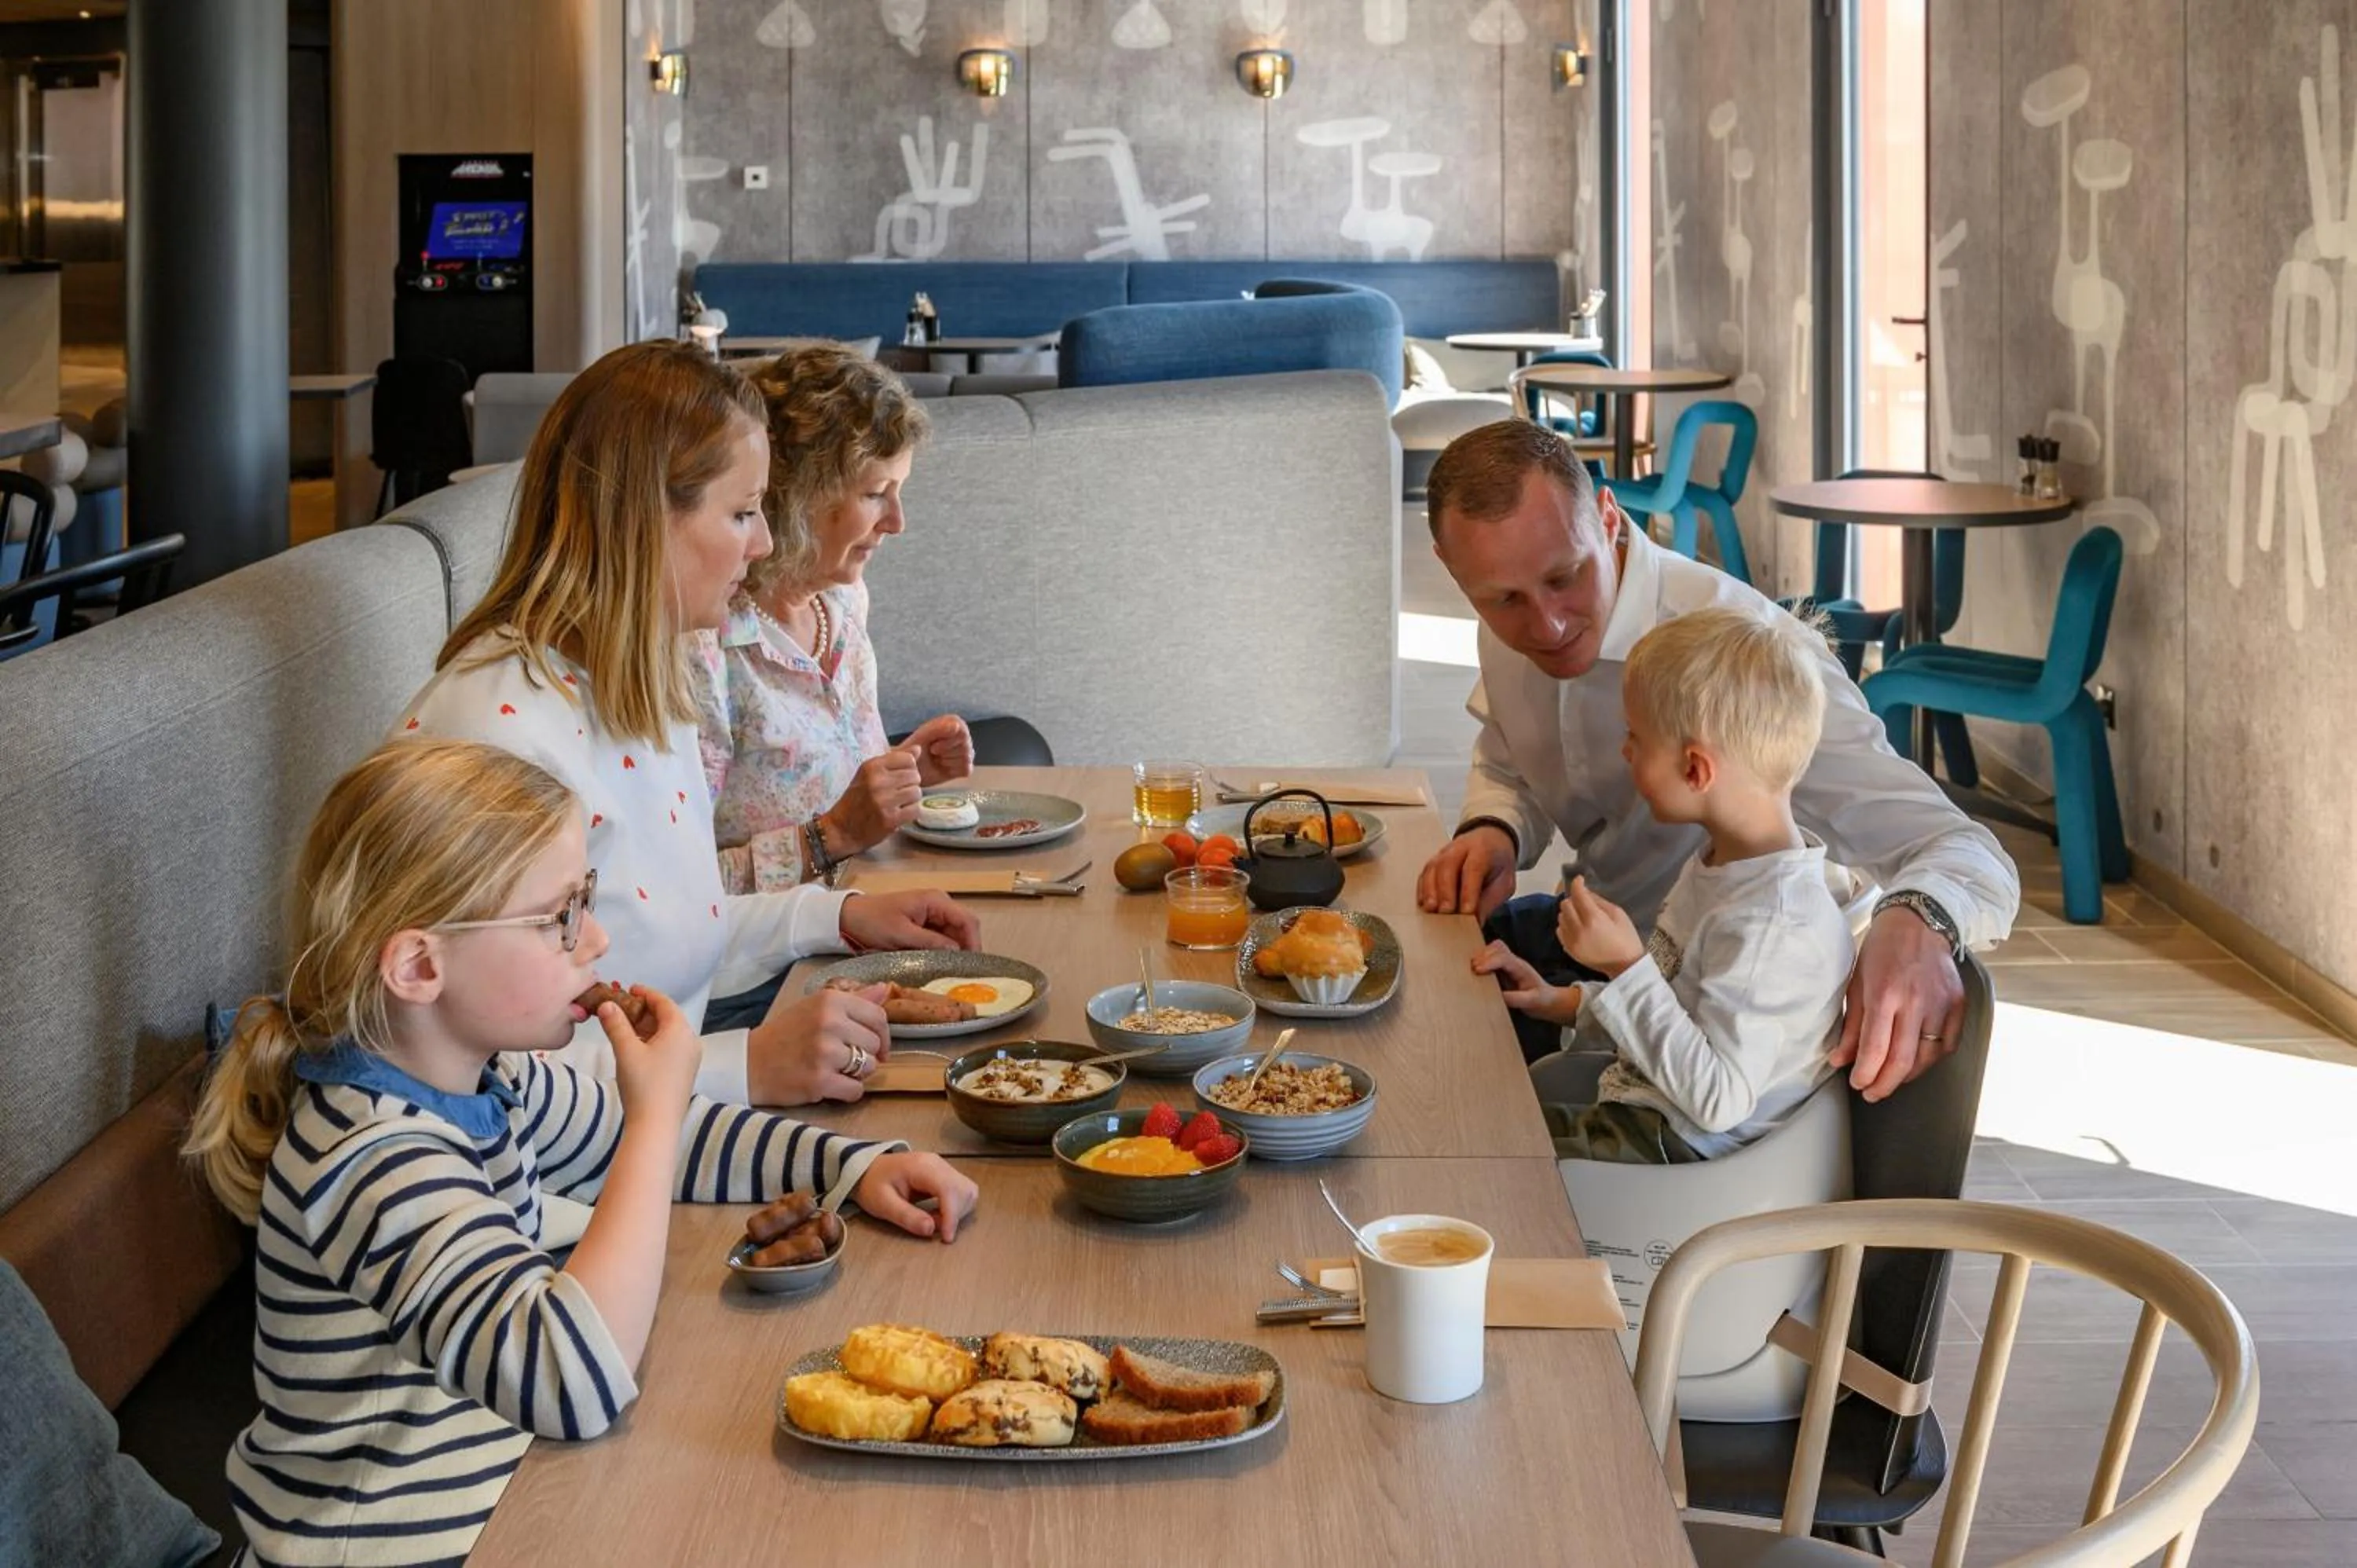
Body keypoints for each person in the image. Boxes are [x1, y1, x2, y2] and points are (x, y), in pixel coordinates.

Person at [183, 738, 978, 1567]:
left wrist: (853, 1166)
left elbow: (683, 1141)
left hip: (518, 1495)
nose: (595, 938)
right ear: (421, 964)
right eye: (558, 915)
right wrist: (653, 1112)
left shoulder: (490, 1074)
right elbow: (569, 1373)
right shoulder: (373, 1157)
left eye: (585, 900)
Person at [405, 341, 977, 1108]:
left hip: (669, 1133)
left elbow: (671, 939)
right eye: (743, 513)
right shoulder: (496, 731)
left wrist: (835, 913)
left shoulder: (646, 680)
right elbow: (484, 1081)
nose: (767, 543)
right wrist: (743, 1065)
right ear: (643, 517)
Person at [1416, 419, 2018, 1097]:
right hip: (1600, 965)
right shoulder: (1510, 619)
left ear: (1609, 518)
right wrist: (1493, 827)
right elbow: (1509, 761)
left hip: (1717, 1017)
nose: (1547, 624)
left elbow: (1966, 851)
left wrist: (1919, 917)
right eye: (1503, 600)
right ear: (1452, 567)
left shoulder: (1745, 660)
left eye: (1566, 576)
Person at [1475, 608, 1853, 1162]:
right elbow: (1679, 1013)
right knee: (1480, 1116)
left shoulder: (1771, 927)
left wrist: (1625, 968)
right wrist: (1565, 1001)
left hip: (1671, 1154)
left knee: (1473, 1150)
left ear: (1697, 769)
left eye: (1636, 737)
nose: (1626, 752)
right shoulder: (1726, 864)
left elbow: (1717, 1099)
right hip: (1642, 1112)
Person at [694, 345, 974, 899]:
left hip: (868, 909)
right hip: (773, 969)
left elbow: (826, 783)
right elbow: (681, 896)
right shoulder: (707, 646)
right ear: (797, 497)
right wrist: (835, 834)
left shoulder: (843, 601)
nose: (897, 522)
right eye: (875, 495)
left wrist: (902, 774)